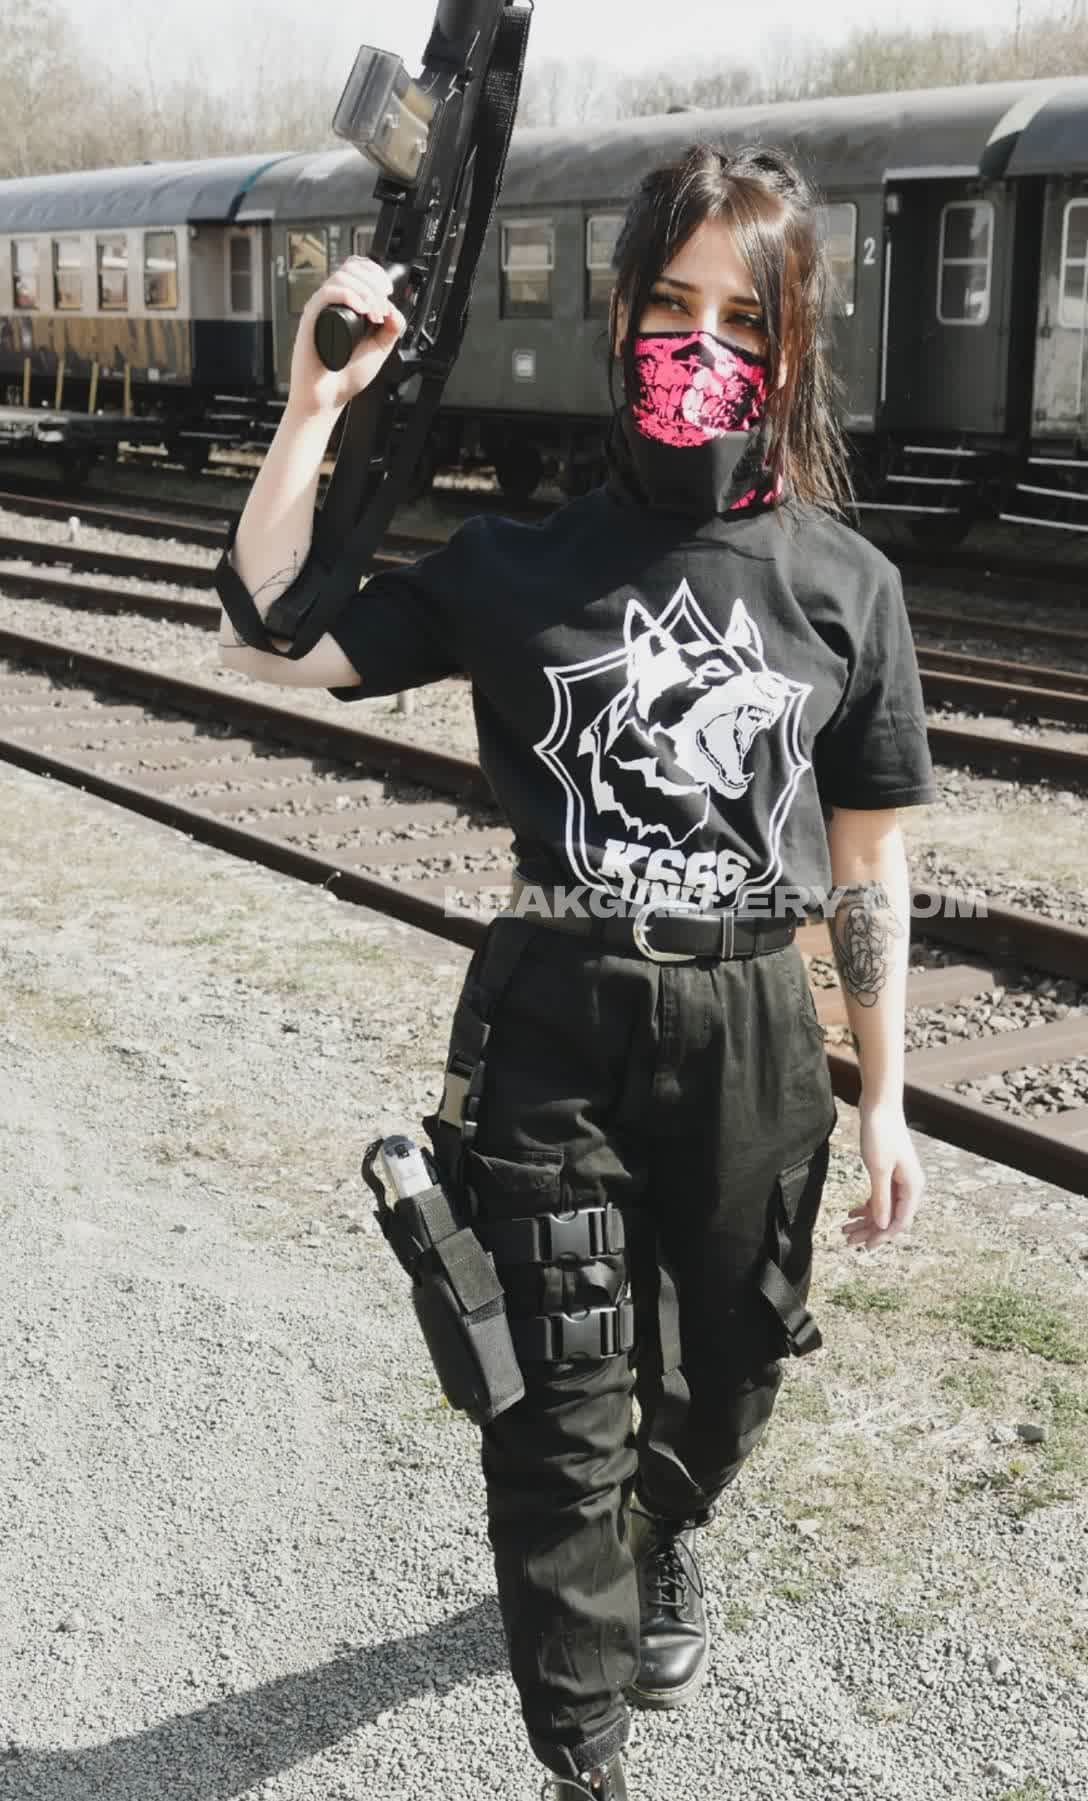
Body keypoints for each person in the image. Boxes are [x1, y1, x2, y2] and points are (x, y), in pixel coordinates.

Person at [218, 141, 938, 1801]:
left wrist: (886, 1097)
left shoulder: (849, 589)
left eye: (741, 318)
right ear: (619, 321)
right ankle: (585, 1756)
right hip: (555, 1012)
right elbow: (271, 625)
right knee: (558, 1413)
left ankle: (664, 1523)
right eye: (672, 307)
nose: (703, 346)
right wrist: (319, 400)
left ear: (792, 345)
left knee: (731, 1369)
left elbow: (869, 864)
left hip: (755, 1028)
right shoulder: (519, 564)